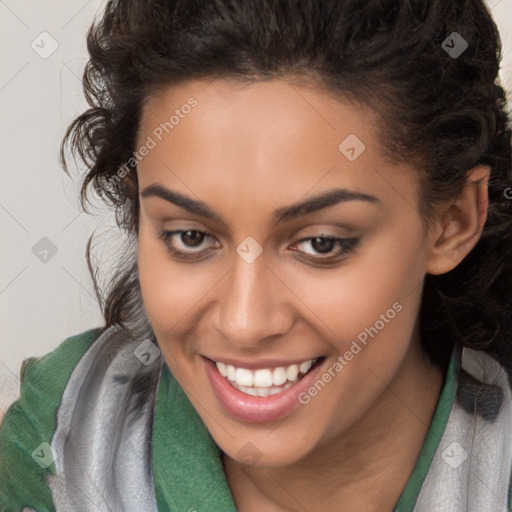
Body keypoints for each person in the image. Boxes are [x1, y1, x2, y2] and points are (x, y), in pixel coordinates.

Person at [1, 0, 512, 510]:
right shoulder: (66, 432)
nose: (245, 324)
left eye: (321, 244)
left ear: (453, 221)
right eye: (190, 237)